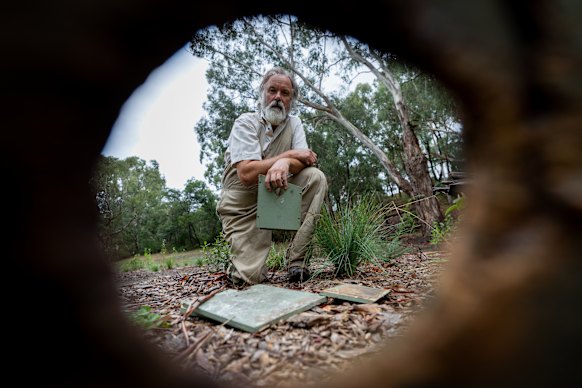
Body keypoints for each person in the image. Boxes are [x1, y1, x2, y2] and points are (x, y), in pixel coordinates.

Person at [216, 66, 328, 285]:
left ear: (291, 100)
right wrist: (286, 156)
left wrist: (285, 162)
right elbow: (247, 173)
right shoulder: (245, 123)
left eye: (285, 93)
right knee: (248, 279)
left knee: (315, 177)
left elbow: (305, 160)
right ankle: (243, 258)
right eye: (272, 90)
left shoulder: (294, 123)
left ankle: (298, 261)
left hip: (275, 193)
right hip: (242, 205)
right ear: (262, 94)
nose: (277, 97)